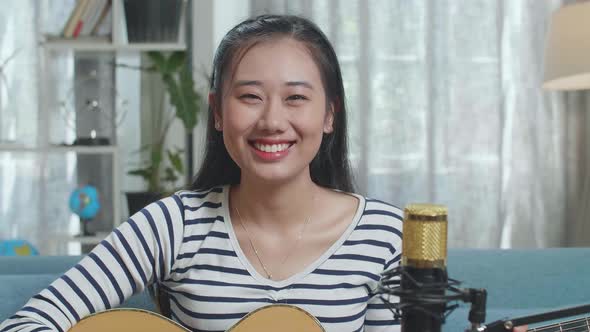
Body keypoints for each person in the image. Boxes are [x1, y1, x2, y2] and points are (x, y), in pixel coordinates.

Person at [0, 14, 526, 332]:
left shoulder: (387, 237)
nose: (272, 120)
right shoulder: (172, 225)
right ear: (216, 112)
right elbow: (28, 323)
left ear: (328, 115)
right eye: (249, 96)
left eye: (296, 98)